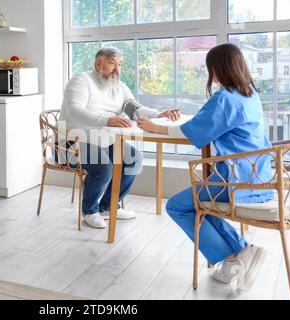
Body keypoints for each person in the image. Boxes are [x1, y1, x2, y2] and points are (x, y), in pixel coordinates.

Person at [137, 43, 271, 295]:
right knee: (200, 204)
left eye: (210, 68)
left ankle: (236, 253)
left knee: (177, 206)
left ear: (219, 68)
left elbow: (195, 132)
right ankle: (238, 253)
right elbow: (208, 125)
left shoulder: (224, 98)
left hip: (233, 181)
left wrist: (155, 127)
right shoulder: (251, 95)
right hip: (258, 177)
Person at [59, 47, 180, 229]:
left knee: (134, 160)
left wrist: (159, 114)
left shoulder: (119, 87)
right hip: (72, 141)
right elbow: (75, 112)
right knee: (104, 166)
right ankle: (90, 211)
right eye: (112, 63)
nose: (117, 68)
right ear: (98, 64)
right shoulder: (81, 80)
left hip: (104, 140)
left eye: (119, 64)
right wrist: (107, 120)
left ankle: (107, 206)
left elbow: (133, 108)